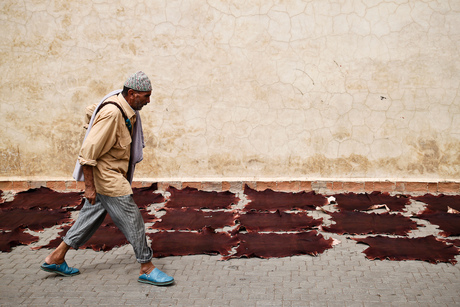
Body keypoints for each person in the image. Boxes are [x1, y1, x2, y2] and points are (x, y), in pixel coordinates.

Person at [40, 71, 174, 286]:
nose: (149, 101)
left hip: (113, 173)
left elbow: (90, 111)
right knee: (133, 220)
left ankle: (56, 257)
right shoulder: (113, 113)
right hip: (107, 177)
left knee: (89, 218)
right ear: (132, 93)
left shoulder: (121, 106)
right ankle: (146, 267)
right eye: (146, 96)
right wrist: (89, 188)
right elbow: (87, 154)